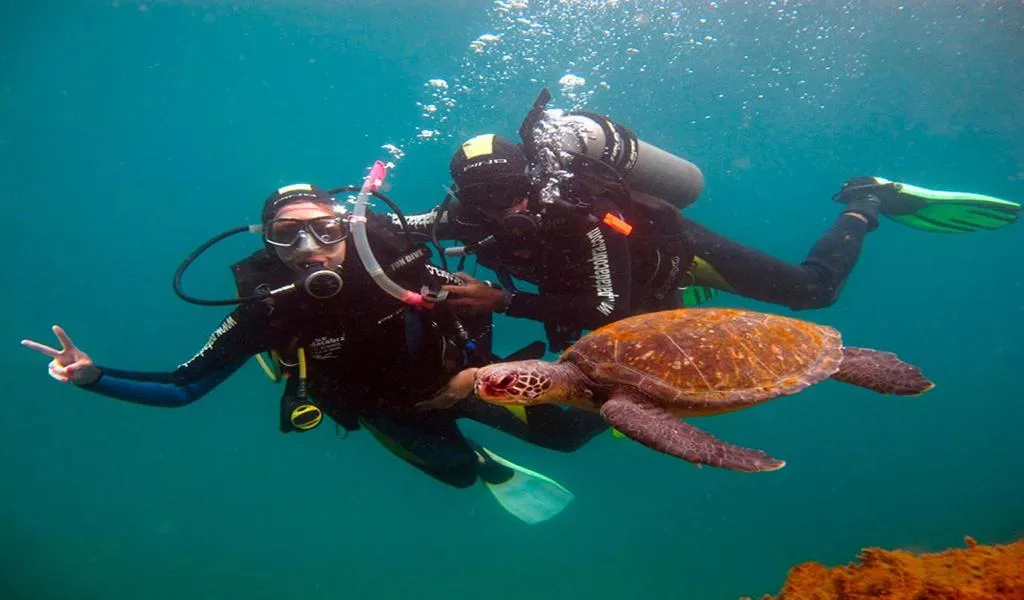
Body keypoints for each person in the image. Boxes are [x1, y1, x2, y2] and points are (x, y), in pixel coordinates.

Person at [20, 179, 609, 524]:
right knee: (456, 474)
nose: (309, 248)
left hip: (461, 378)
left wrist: (481, 372)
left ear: (346, 227)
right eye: (286, 236)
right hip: (383, 409)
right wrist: (95, 376)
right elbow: (182, 387)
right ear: (269, 246)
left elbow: (472, 307)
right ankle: (477, 463)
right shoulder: (267, 308)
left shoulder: (396, 265)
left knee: (572, 435)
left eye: (325, 230)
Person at [402, 88, 1021, 352]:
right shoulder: (462, 220)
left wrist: (502, 301)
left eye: (515, 193)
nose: (505, 212)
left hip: (672, 254)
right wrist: (318, 225)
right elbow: (389, 233)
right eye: (486, 203)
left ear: (535, 180)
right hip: (615, 291)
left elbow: (604, 308)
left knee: (814, 291)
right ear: (463, 199)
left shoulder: (579, 211)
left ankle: (871, 201)